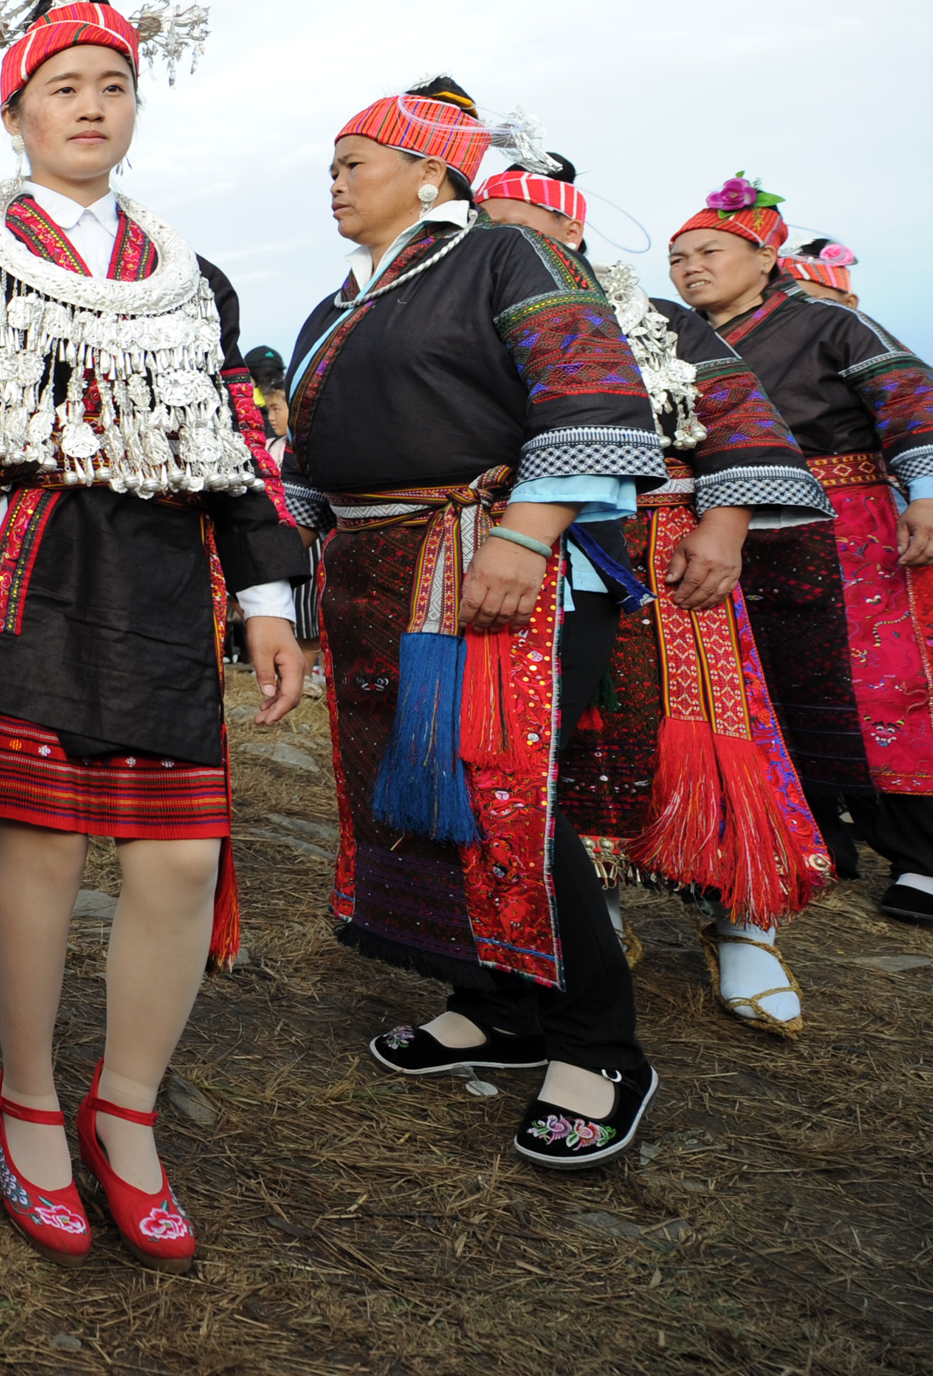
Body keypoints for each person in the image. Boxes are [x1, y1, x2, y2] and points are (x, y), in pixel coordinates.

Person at [0, 0, 308, 1264]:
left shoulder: (192, 277)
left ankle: (128, 1111)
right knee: (46, 849)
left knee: (175, 856)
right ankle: (28, 1100)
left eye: (115, 84)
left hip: (167, 581)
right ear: (15, 114)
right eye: (64, 87)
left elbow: (240, 441)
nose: (93, 106)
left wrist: (272, 595)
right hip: (31, 568)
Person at [284, 79, 664, 1171]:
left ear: (432, 172)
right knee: (419, 789)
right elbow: (309, 463)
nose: (337, 181)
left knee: (506, 792)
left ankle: (599, 1046)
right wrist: (282, 587)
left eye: (355, 161)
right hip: (372, 570)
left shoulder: (506, 256)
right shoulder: (340, 302)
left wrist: (526, 536)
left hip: (488, 559)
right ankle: (494, 1004)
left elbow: (592, 399)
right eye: (335, 165)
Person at [472, 159, 833, 1037]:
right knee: (570, 731)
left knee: (703, 731)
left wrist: (725, 525)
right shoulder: (472, 316)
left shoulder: (662, 322)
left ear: (568, 234)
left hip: (665, 548)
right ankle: (599, 903)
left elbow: (743, 416)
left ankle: (744, 919)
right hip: (533, 553)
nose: (492, 244)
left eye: (515, 227)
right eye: (484, 227)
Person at [670, 175, 933, 928]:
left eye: (710, 251)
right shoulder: (682, 340)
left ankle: (921, 856)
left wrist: (927, 494)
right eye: (678, 258)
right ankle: (812, 836)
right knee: (766, 680)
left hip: (849, 525)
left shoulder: (830, 323)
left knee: (878, 686)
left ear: (764, 257)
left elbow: (913, 399)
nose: (690, 268)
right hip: (734, 524)